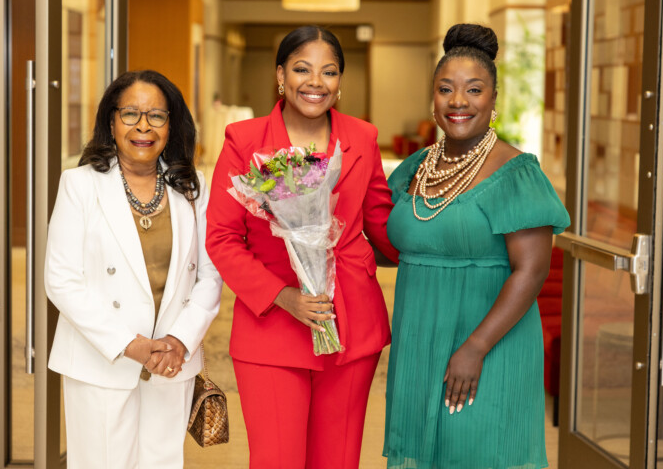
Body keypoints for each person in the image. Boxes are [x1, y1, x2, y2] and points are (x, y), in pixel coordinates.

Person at [206, 25, 398, 469]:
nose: (315, 82)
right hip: (272, 326)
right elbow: (222, 236)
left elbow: (381, 221)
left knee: (339, 459)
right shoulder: (244, 139)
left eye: (328, 72)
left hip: (350, 323)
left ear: (340, 81)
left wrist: (443, 234)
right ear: (280, 75)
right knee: (277, 459)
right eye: (301, 69)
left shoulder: (363, 137)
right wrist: (281, 296)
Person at [382, 24, 570, 469]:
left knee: (479, 450)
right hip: (419, 339)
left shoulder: (515, 172)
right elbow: (388, 244)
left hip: (488, 341)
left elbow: (532, 270)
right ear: (433, 97)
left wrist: (476, 348)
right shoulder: (416, 168)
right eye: (446, 89)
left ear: (493, 100)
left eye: (474, 89)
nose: (458, 101)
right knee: (427, 452)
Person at [44, 70, 223, 469]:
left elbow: (210, 275)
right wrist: (131, 345)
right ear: (111, 122)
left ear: (172, 124)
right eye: (130, 114)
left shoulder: (192, 188)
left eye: (157, 116)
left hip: (171, 360)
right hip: (102, 359)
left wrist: (180, 339)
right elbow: (61, 280)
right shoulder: (80, 185)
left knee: (162, 462)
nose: (143, 126)